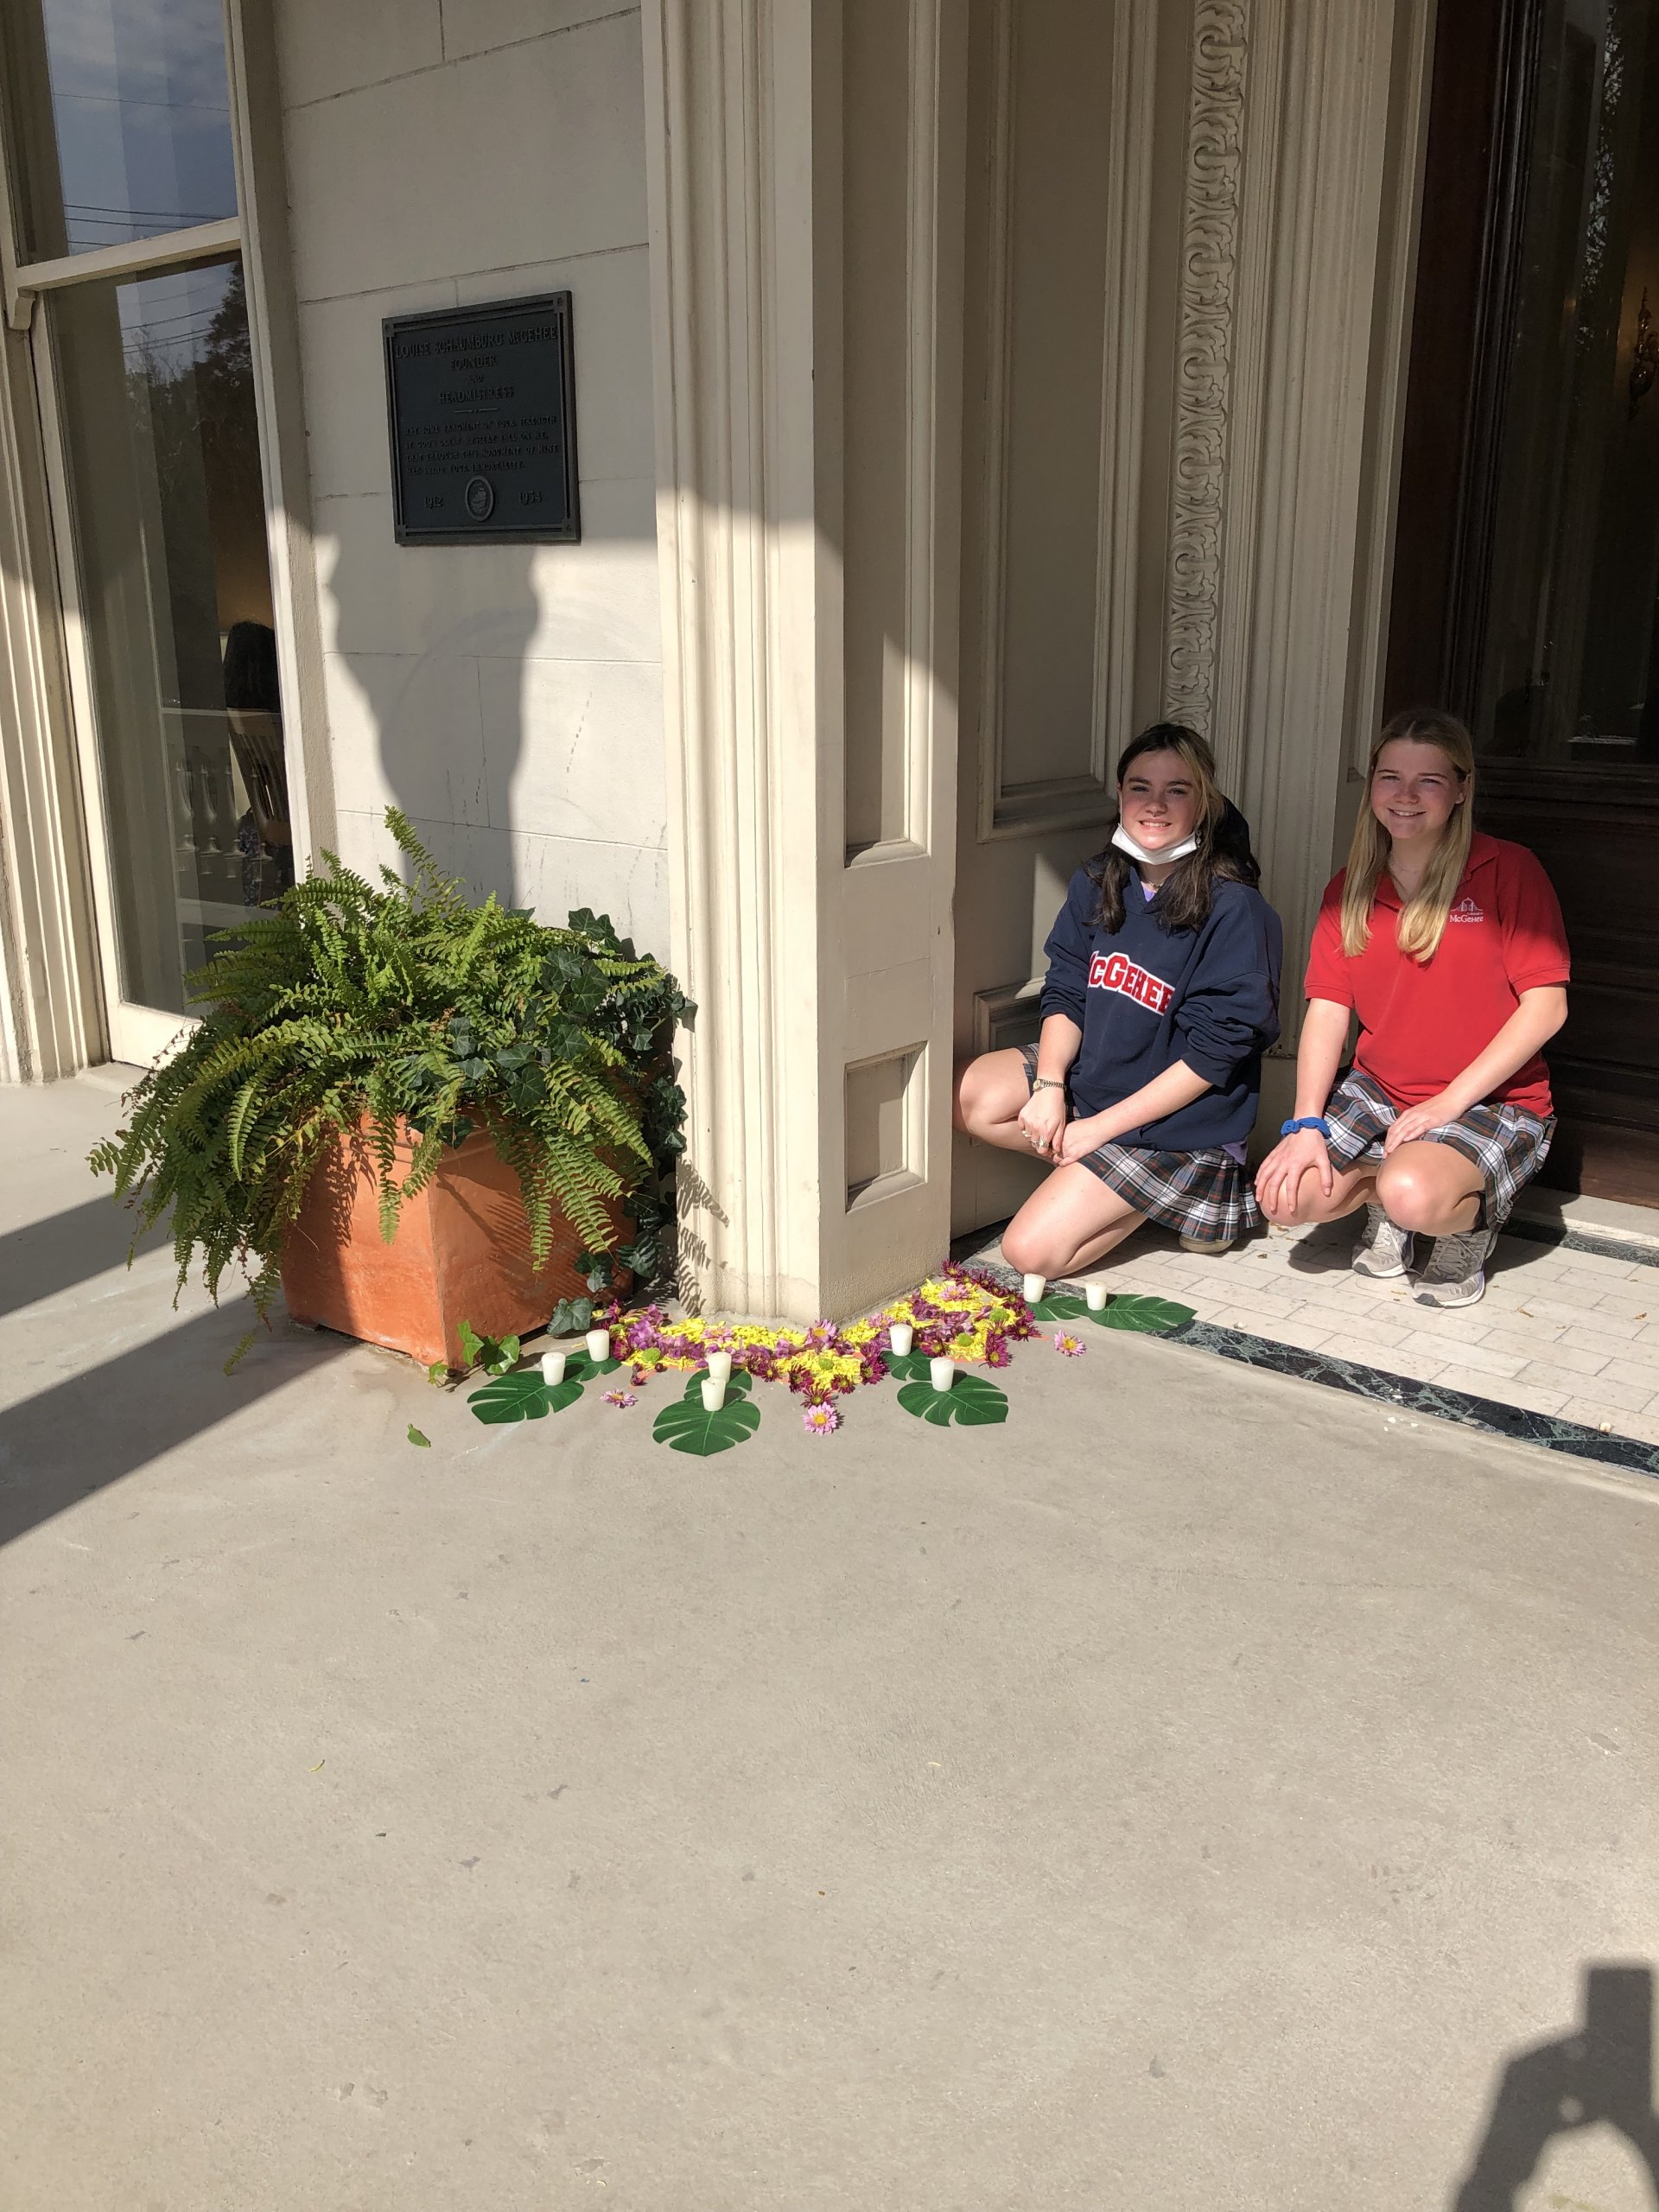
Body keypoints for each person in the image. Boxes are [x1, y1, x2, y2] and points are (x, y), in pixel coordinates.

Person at [1254, 708, 1570, 1307]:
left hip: (1491, 1099)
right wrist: (1306, 1124)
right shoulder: (1351, 887)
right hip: (1382, 1091)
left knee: (1415, 1195)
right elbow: (1328, 1008)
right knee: (1284, 1196)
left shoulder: (1508, 870)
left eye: (1428, 780)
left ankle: (1463, 1224)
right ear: (1371, 784)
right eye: (1390, 777)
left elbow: (1546, 1007)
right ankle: (1392, 1198)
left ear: (1461, 789)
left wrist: (1448, 1104)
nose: (1405, 796)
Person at [954, 724, 1282, 1281]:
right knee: (970, 1098)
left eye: (1176, 790)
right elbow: (1067, 985)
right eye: (1139, 787)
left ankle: (1193, 1195)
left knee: (1030, 1255)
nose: (1155, 805)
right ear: (1120, 794)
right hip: (1100, 1081)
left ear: (1205, 803)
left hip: (1181, 1119)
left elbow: (1214, 1056)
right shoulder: (1100, 878)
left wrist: (1099, 1129)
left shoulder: (1236, 910)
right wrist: (1052, 1084)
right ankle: (1127, 1185)